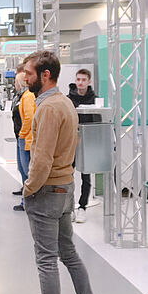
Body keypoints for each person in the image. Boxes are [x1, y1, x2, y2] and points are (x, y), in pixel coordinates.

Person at [18, 50, 98, 294]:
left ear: (45, 75)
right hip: (65, 188)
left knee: (46, 259)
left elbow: (41, 159)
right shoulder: (64, 102)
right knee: (69, 253)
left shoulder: (49, 108)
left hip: (48, 191)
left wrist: (29, 189)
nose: (25, 77)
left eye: (29, 73)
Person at [67, 68, 97, 223]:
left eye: (84, 80)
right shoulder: (68, 99)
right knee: (68, 175)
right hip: (71, 142)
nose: (80, 82)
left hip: (87, 143)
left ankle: (82, 207)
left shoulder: (95, 100)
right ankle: (69, 207)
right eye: (78, 79)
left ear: (89, 81)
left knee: (86, 176)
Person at [13, 68, 35, 211]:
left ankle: (28, 201)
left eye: (16, 82)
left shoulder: (27, 96)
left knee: (26, 171)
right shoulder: (22, 96)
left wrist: (22, 134)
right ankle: (26, 200)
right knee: (23, 170)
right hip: (22, 138)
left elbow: (29, 117)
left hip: (26, 139)